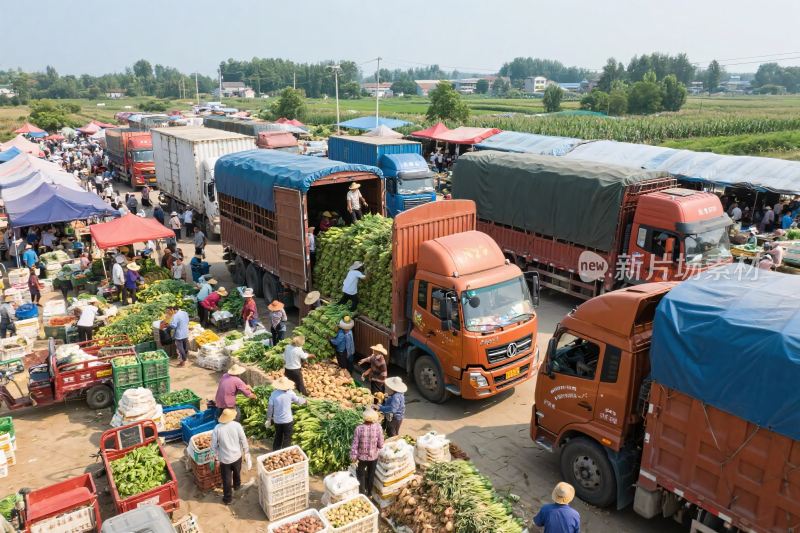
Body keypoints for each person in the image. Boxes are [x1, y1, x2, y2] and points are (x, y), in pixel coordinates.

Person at [211, 408, 250, 506]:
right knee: (237, 472)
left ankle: (227, 499)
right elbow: (243, 440)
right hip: (237, 456)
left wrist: (214, 458)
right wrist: (246, 452)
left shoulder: (217, 428)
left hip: (224, 459)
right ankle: (237, 486)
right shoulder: (237, 425)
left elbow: (213, 446)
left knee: (226, 480)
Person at [266, 376, 307, 450]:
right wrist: (305, 401)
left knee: (278, 436)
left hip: (277, 421)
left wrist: (268, 419)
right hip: (288, 420)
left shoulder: (274, 394)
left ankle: (275, 451)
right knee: (287, 438)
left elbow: (270, 408)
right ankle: (285, 452)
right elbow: (298, 400)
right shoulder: (290, 393)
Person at [349, 409, 384, 496]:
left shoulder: (359, 428)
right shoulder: (378, 428)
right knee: (371, 474)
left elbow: (355, 444)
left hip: (362, 457)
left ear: (364, 418)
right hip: (373, 457)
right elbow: (380, 444)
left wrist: (353, 456)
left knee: (361, 475)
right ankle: (369, 493)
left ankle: (362, 493)